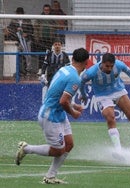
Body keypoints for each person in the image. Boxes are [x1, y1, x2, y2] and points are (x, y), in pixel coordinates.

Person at [15, 48, 89, 184]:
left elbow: (58, 92)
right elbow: (62, 101)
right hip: (50, 116)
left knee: (69, 144)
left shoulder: (64, 69)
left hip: (57, 113)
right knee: (58, 150)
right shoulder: (75, 78)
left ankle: (50, 176)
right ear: (86, 62)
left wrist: (73, 105)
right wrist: (74, 113)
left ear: (72, 59)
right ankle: (26, 148)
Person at [80, 53, 130, 155]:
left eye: (111, 66)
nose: (109, 69)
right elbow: (81, 82)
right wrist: (84, 95)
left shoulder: (119, 65)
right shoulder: (92, 72)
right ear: (102, 63)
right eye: (107, 66)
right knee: (110, 117)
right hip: (103, 96)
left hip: (118, 91)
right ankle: (118, 151)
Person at [5, 7, 34, 76]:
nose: (19, 14)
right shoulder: (13, 20)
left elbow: (32, 30)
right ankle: (19, 71)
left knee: (27, 56)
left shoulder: (27, 20)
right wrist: (16, 30)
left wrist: (26, 34)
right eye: (18, 13)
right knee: (18, 56)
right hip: (17, 41)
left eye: (21, 13)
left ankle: (28, 71)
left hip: (26, 41)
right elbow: (10, 30)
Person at [34, 4, 56, 75]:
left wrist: (54, 38)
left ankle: (48, 69)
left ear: (49, 11)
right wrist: (37, 38)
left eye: (48, 10)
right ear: (43, 10)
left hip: (50, 39)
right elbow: (36, 28)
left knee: (49, 54)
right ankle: (40, 69)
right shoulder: (39, 18)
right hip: (41, 39)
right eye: (45, 10)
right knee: (41, 55)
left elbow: (56, 27)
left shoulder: (52, 19)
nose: (46, 11)